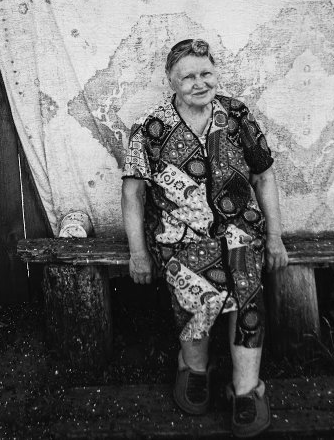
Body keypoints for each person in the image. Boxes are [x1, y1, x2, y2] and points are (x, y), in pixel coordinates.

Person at [121, 38, 287, 438]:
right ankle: (194, 368)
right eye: (188, 77)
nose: (199, 83)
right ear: (171, 81)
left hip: (240, 229)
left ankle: (246, 389)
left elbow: (264, 176)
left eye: (206, 73)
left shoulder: (236, 115)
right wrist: (137, 253)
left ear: (216, 72)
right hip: (180, 234)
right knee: (196, 290)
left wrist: (275, 236)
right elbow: (133, 194)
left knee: (247, 289)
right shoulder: (151, 128)